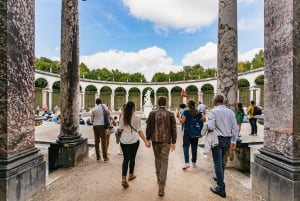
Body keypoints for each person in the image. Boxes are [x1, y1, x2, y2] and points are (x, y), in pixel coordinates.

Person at [206, 94, 238, 198]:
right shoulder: (230, 112)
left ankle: (220, 187)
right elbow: (235, 127)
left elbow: (210, 126)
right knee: (222, 162)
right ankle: (219, 177)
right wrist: (234, 140)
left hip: (217, 139)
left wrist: (206, 124)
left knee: (217, 163)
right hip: (227, 140)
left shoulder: (213, 112)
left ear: (215, 102)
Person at [146, 96, 177, 197]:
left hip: (155, 140)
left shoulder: (152, 113)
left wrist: (148, 138)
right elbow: (173, 128)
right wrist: (174, 141)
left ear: (158, 103)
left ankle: (159, 179)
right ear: (166, 103)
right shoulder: (170, 114)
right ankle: (161, 186)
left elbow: (149, 126)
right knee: (164, 162)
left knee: (157, 160)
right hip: (166, 141)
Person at [119, 101, 150, 189]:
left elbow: (120, 129)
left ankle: (123, 179)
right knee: (132, 158)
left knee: (126, 158)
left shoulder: (122, 117)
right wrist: (146, 141)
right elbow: (139, 131)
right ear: (133, 108)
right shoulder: (136, 117)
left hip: (124, 141)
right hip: (134, 140)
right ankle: (131, 174)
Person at [177, 99, 205, 169]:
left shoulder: (186, 112)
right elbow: (204, 119)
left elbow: (182, 122)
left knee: (185, 146)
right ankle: (194, 163)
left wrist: (178, 117)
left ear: (188, 105)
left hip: (187, 132)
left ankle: (187, 162)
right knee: (194, 147)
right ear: (194, 105)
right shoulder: (198, 112)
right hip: (195, 132)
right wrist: (202, 114)